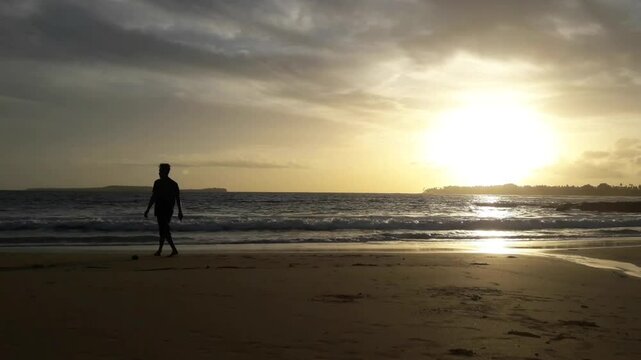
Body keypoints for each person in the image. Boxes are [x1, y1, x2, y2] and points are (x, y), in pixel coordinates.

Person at [144, 163, 183, 256]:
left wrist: (180, 211)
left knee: (164, 229)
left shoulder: (173, 184)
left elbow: (177, 198)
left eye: (161, 171)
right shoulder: (157, 182)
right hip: (159, 208)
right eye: (159, 171)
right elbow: (153, 197)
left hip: (167, 209)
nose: (159, 173)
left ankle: (173, 250)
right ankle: (160, 250)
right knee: (163, 229)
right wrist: (148, 209)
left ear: (166, 171)